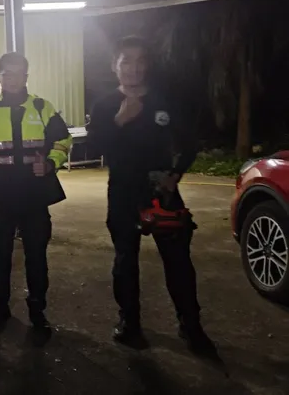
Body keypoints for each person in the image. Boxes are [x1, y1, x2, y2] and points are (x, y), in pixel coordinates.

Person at [86, 36, 214, 353]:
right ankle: (129, 323)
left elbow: (189, 142)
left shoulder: (164, 101)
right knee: (125, 260)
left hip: (162, 191)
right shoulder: (104, 105)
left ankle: (191, 326)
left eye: (140, 61)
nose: (134, 68)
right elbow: (97, 147)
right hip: (123, 191)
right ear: (115, 66)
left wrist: (175, 174)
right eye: (126, 61)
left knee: (178, 261)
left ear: (148, 65)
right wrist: (120, 119)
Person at [0, 52, 72, 346]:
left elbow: (63, 140)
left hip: (34, 196)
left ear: (26, 76)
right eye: (7, 73)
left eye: (19, 73)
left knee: (37, 256)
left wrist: (50, 163)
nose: (13, 79)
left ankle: (38, 312)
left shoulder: (42, 107)